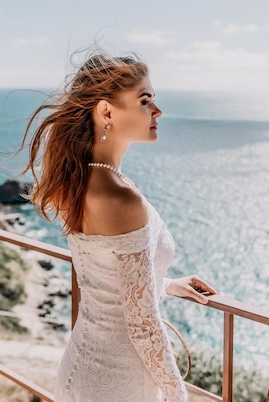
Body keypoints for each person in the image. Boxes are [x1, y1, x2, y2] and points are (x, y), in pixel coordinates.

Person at [19, 51, 217, 402]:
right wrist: (178, 394)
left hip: (82, 371)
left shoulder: (80, 180)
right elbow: (143, 327)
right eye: (145, 101)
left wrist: (165, 284)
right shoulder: (119, 197)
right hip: (120, 385)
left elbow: (106, 276)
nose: (157, 112)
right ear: (107, 111)